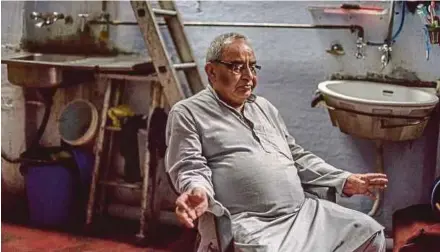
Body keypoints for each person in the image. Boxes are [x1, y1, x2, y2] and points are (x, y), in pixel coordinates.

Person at [165, 32, 388, 252]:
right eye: (237, 67)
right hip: (252, 222)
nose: (248, 77)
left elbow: (296, 156)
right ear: (211, 71)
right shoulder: (188, 112)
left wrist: (343, 179)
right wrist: (198, 190)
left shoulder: (264, 107)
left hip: (304, 213)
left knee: (368, 232)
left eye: (252, 67)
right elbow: (189, 166)